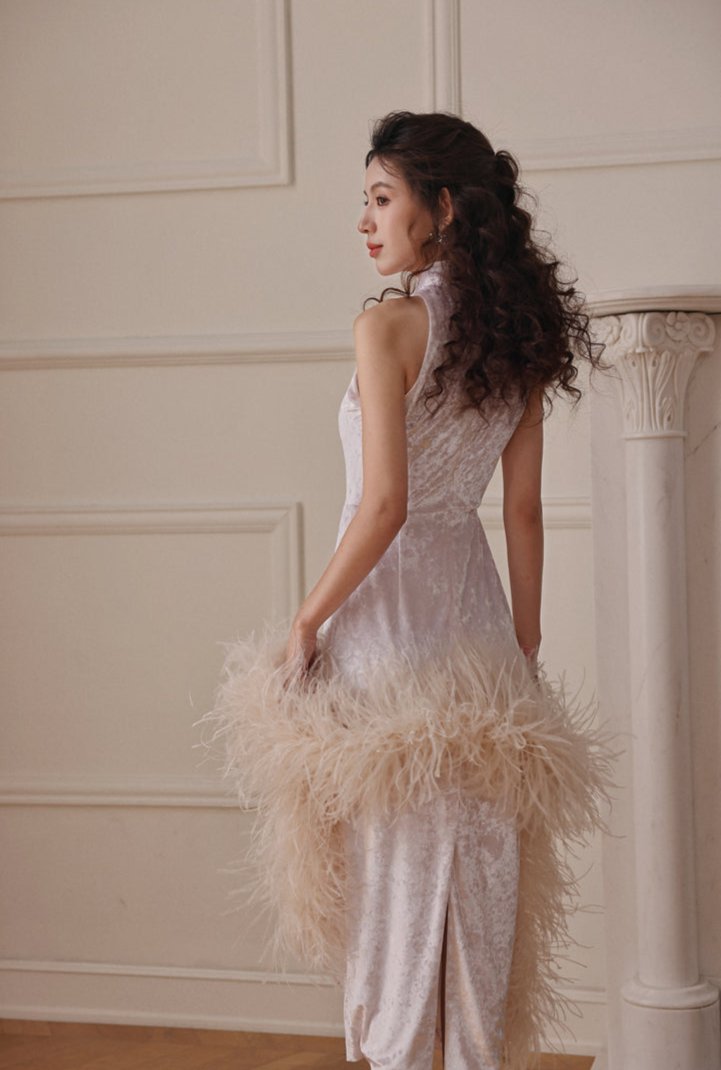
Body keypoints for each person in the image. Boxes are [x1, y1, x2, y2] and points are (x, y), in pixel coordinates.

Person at [198, 111, 613, 1070]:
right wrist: (523, 647)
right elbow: (522, 514)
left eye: (381, 199)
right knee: (475, 874)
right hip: (477, 631)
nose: (364, 221)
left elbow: (383, 505)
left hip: (387, 630)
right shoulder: (518, 340)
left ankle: (394, 1051)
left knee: (391, 877)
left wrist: (306, 619)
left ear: (445, 208)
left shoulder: (385, 327)